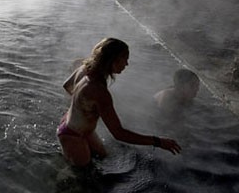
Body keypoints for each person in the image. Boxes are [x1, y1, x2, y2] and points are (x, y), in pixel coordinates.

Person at [57, 37, 181, 167]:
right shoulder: (100, 92)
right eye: (125, 59)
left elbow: (67, 85)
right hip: (73, 135)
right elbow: (119, 134)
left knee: (103, 156)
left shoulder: (86, 68)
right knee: (84, 177)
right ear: (113, 60)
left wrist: (81, 107)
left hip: (72, 124)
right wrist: (158, 142)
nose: (126, 64)